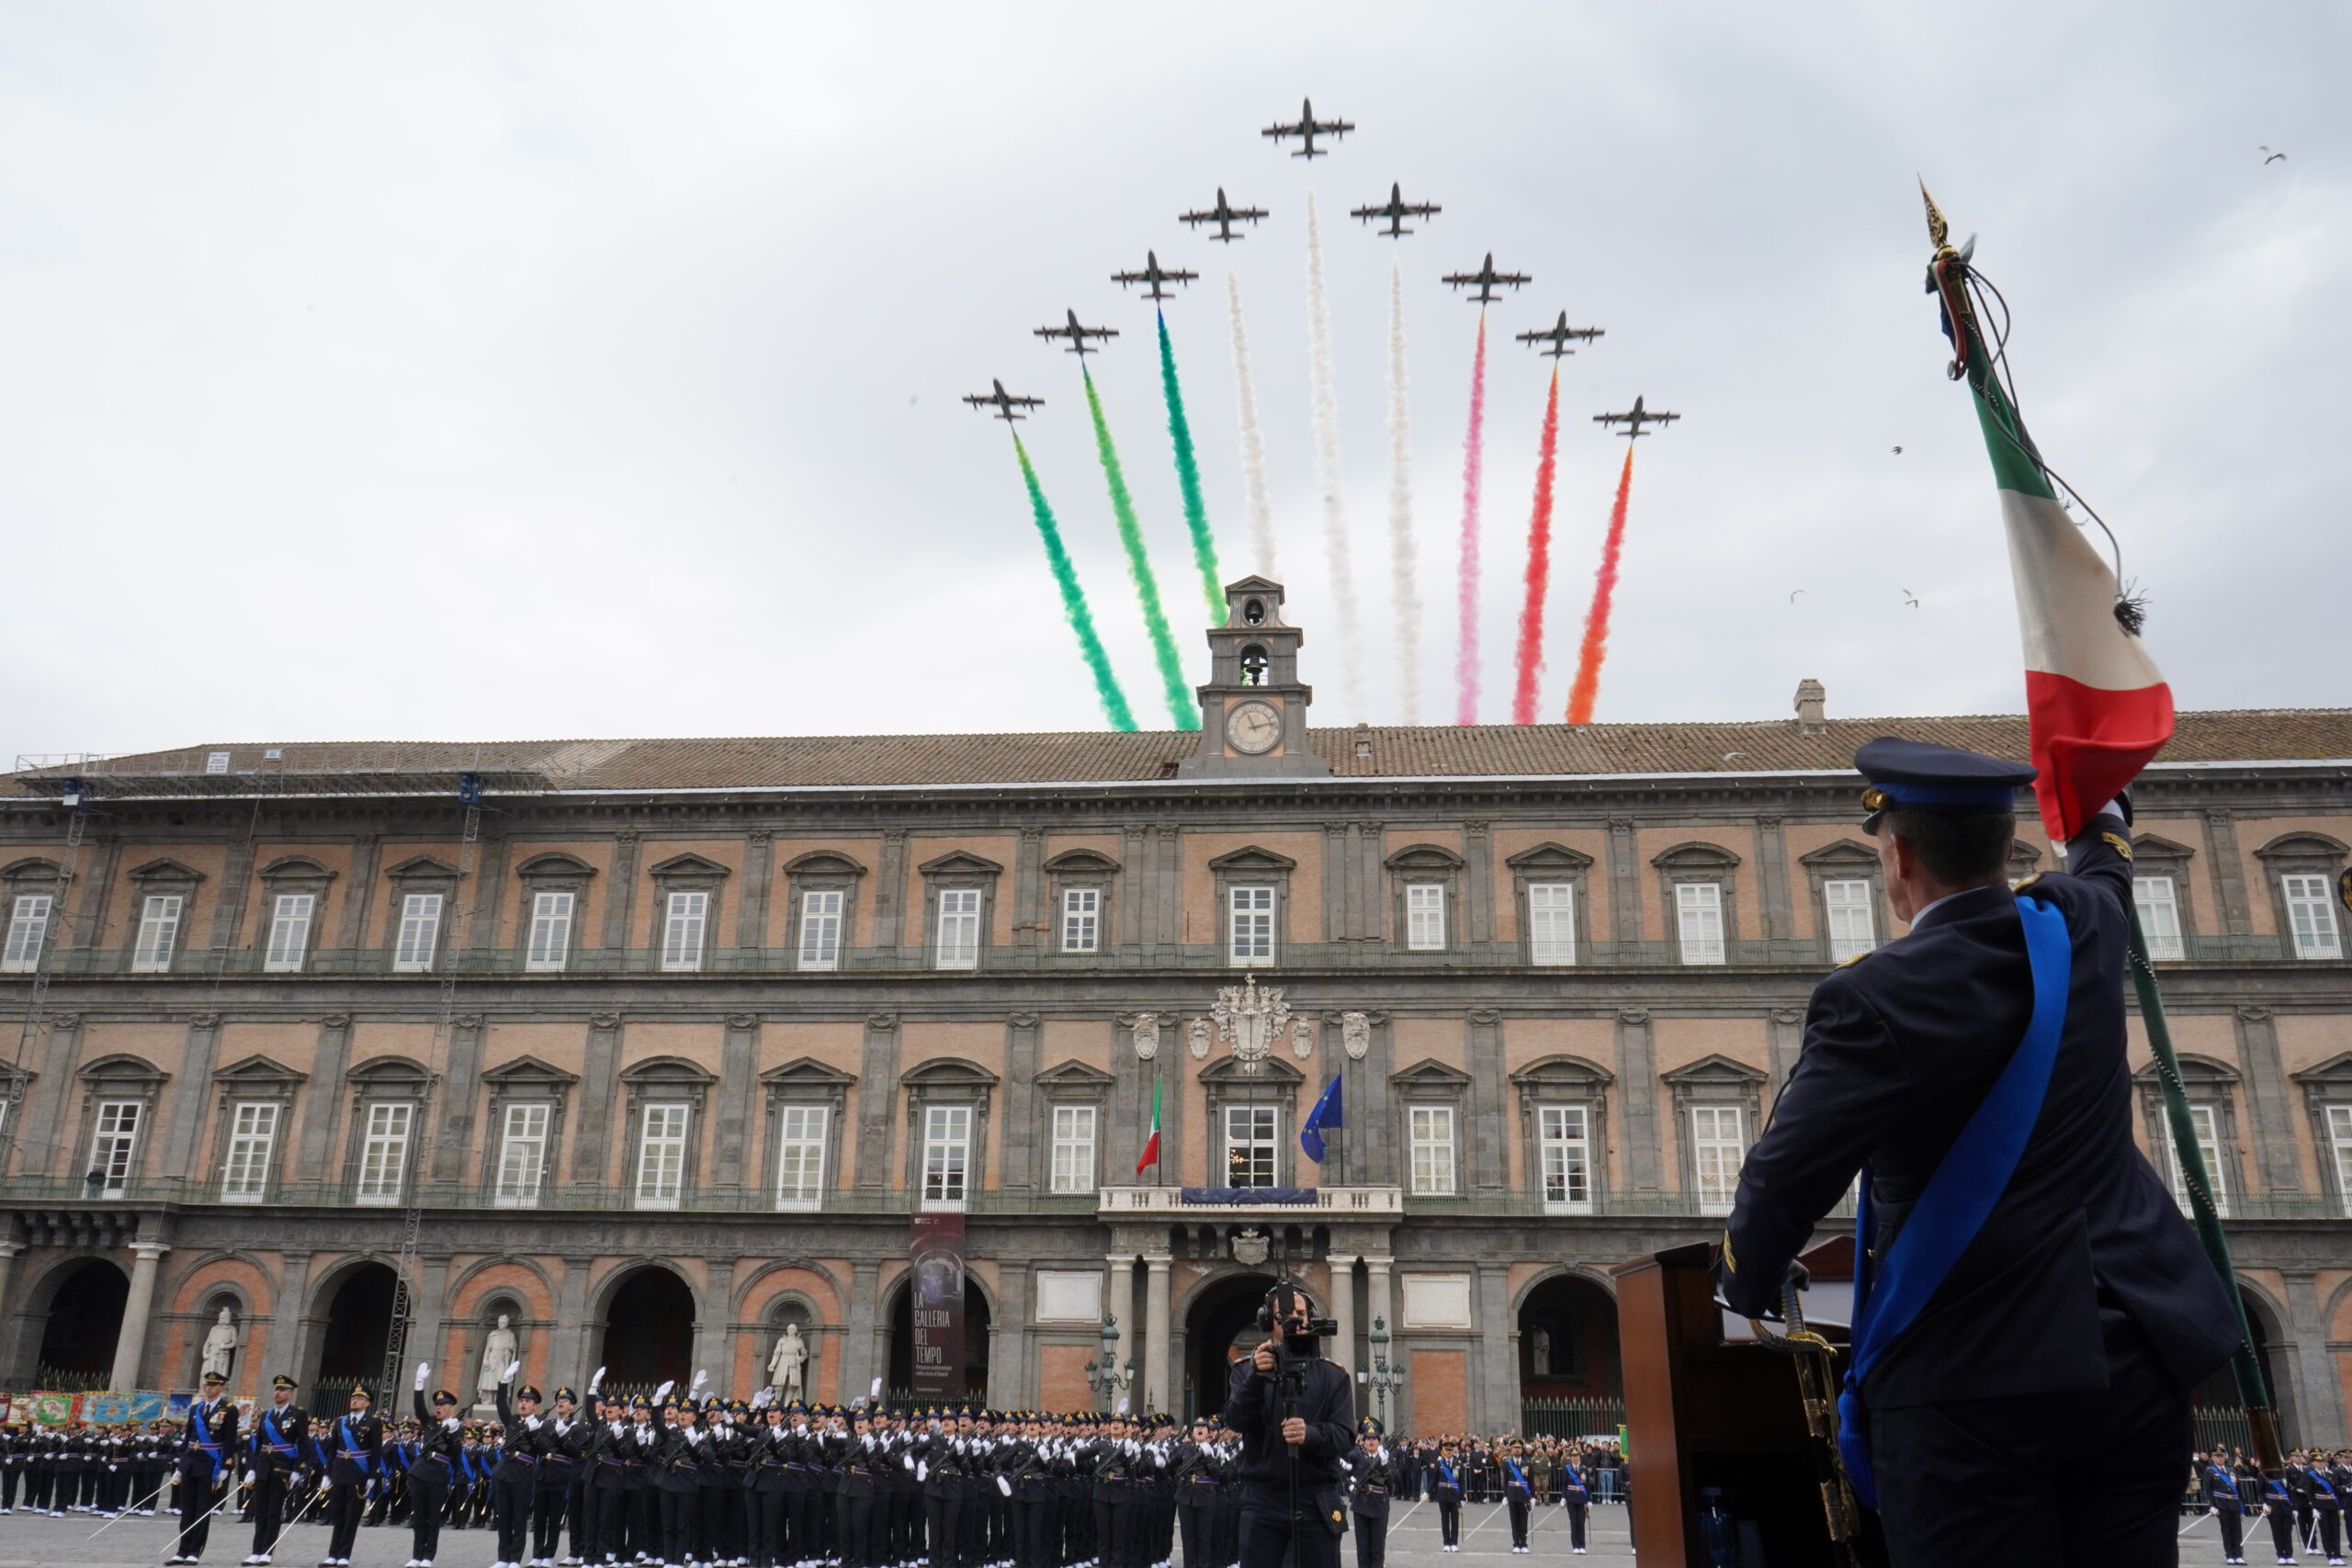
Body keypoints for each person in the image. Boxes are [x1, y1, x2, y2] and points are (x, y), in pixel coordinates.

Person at [1716, 738, 2242, 1566]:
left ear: (1900, 857)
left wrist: (1745, 1278)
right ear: (2008, 849)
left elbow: (1785, 1174)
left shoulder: (1871, 996)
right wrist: (2096, 787)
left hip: (1972, 1374)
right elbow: (2105, 851)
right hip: (2139, 1352)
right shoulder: (2082, 923)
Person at [1222, 1282, 1354, 1568]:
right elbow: (1235, 1420)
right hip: (1263, 1499)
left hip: (1317, 1499)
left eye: (1300, 1312)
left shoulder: (1334, 1376)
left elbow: (1345, 1437)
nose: (1295, 1319)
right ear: (1268, 1321)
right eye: (1285, 1313)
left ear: (1311, 1319)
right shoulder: (1246, 1371)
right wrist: (1256, 1378)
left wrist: (1311, 1434)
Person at [170, 1370, 241, 1565]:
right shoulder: (196, 1408)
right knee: (187, 1509)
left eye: (213, 1385)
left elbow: (229, 1440)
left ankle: (194, 1550)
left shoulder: (229, 1409)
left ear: (221, 1388)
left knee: (201, 1510)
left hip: (210, 1464)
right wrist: (180, 1465)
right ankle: (182, 1549)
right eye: (207, 1385)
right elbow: (188, 1437)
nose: (209, 1388)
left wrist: (226, 1465)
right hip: (191, 1462)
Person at [242, 1374, 307, 1565]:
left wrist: (298, 1469)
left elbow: (303, 1444)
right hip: (263, 1467)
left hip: (282, 1470)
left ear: (290, 1394)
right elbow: (258, 1444)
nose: (277, 1393)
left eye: (282, 1390)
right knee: (260, 1511)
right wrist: (251, 1469)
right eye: (276, 1389)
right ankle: (256, 1551)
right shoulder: (266, 1415)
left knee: (273, 1512)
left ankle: (267, 1552)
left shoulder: (297, 1414)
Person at [322, 1382, 381, 1566]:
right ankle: (333, 1554)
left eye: (360, 1399)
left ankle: (344, 1555)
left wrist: (372, 1475)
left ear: (367, 1403)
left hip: (359, 1473)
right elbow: (333, 1449)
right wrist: (327, 1473)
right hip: (340, 1471)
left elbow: (376, 1451)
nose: (355, 1401)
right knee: (337, 1514)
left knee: (351, 1517)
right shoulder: (341, 1422)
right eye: (354, 1398)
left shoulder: (373, 1422)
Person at [1341, 1420, 1396, 1568]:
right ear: (1363, 1441)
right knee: (1362, 1549)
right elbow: (1345, 1475)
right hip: (1361, 1503)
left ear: (1379, 1441)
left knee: (1377, 1549)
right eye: (1368, 1439)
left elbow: (1391, 1484)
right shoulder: (1355, 1456)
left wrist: (1384, 1466)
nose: (1371, 1441)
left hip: (1379, 1504)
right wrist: (1351, 1492)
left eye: (1374, 1439)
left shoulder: (1386, 1457)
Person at [2198, 1448, 2248, 1564]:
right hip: (2221, 1504)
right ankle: (2230, 1554)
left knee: (2237, 1530)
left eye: (2222, 1456)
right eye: (2218, 1456)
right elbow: (2208, 1490)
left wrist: (2242, 1505)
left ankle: (2238, 1555)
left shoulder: (2231, 1471)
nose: (2221, 1458)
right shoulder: (2210, 1471)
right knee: (2226, 1530)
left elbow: (2239, 1489)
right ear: (2213, 1458)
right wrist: (2211, 1505)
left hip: (2234, 1504)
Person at [1429, 1441, 1462, 1552]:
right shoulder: (1439, 1463)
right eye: (1446, 1450)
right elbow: (1434, 1479)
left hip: (1455, 1495)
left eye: (1450, 1450)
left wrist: (1463, 1496)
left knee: (1455, 1520)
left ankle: (1454, 1543)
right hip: (1443, 1495)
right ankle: (1446, 1543)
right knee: (1445, 1520)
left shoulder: (1458, 1462)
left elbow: (1462, 1481)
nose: (1448, 1452)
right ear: (1443, 1451)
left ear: (1453, 1451)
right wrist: (1427, 1492)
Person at [1556, 1450, 1590, 1556]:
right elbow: (1564, 1485)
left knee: (1581, 1523)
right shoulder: (1567, 1469)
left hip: (1582, 1499)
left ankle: (1582, 1546)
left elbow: (1588, 1486)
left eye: (1576, 1456)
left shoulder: (1584, 1469)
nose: (1575, 1458)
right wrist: (1563, 1498)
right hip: (1571, 1499)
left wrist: (1589, 1500)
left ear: (1579, 1457)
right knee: (1574, 1523)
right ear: (1570, 1457)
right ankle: (1575, 1546)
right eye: (1573, 1456)